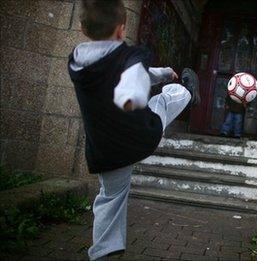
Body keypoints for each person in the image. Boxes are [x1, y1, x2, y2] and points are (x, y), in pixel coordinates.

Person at [67, 0, 200, 259]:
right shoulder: (130, 59)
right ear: (121, 29)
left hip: (106, 150)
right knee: (163, 100)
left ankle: (104, 252)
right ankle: (189, 93)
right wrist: (140, 91)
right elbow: (133, 78)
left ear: (82, 28)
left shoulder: (76, 63)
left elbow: (125, 71)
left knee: (110, 196)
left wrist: (158, 73)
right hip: (140, 136)